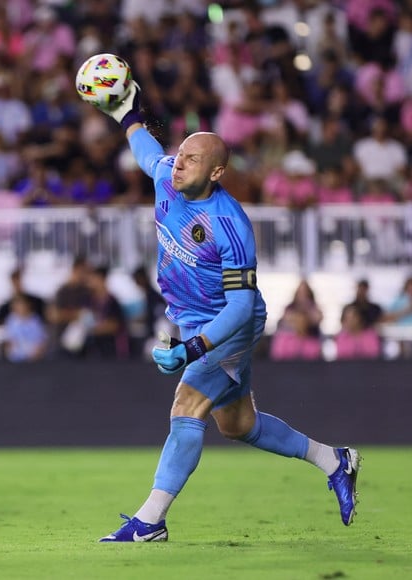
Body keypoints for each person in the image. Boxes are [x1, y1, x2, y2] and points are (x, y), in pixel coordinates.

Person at [95, 80, 360, 543]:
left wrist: (191, 348)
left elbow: (240, 306)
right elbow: (145, 150)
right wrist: (126, 114)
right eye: (180, 155)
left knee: (187, 403)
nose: (179, 163)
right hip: (191, 317)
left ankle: (150, 521)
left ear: (216, 173)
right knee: (238, 424)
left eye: (192, 159)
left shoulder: (230, 225)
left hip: (230, 324)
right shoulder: (165, 177)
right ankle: (335, 460)